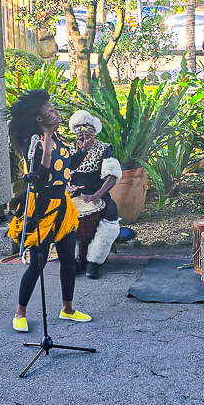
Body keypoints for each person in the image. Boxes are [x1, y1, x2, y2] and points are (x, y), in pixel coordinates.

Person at [7, 90, 91, 332]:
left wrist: (84, 148)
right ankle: (20, 313)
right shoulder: (31, 145)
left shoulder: (61, 140)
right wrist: (45, 150)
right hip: (40, 207)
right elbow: (39, 179)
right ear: (39, 118)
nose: (55, 113)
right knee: (38, 263)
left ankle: (67, 309)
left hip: (62, 206)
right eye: (49, 111)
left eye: (54, 109)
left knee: (68, 258)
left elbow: (68, 164)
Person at [67, 109, 122, 280]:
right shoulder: (67, 150)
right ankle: (73, 259)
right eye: (77, 126)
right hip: (74, 196)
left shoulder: (105, 148)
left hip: (98, 194)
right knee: (62, 213)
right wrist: (65, 187)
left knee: (111, 212)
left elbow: (112, 176)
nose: (81, 129)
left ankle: (94, 261)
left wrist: (98, 194)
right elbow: (60, 174)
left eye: (85, 126)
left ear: (94, 129)